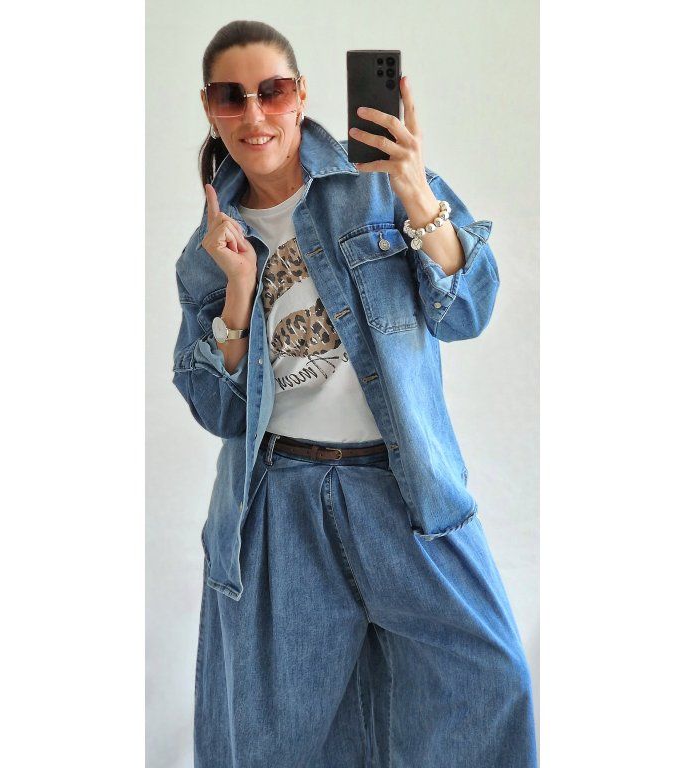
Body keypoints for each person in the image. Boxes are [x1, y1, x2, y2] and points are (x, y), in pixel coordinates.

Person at [172, 19, 538, 768]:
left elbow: (468, 311)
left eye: (272, 91)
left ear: (302, 95)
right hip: (279, 502)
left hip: (403, 490)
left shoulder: (377, 184)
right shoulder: (207, 252)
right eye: (231, 97)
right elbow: (220, 413)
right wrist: (238, 291)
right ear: (210, 108)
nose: (254, 113)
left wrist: (415, 192)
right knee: (285, 736)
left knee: (490, 682)